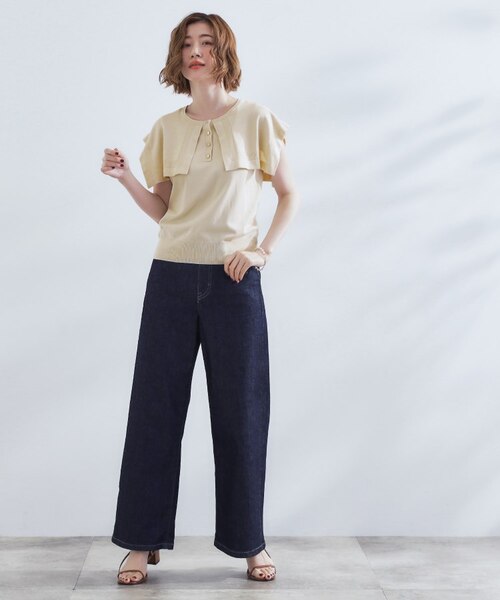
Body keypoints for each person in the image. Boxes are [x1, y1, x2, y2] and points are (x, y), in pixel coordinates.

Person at [100, 11, 300, 586]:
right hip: (170, 277)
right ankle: (140, 541)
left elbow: (289, 194)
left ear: (223, 52)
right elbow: (164, 210)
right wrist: (127, 179)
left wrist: (261, 251)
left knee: (242, 414)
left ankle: (250, 542)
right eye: (188, 43)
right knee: (154, 411)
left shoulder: (257, 119)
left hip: (234, 282)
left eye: (207, 42)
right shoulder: (167, 128)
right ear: (178, 56)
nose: (196, 51)